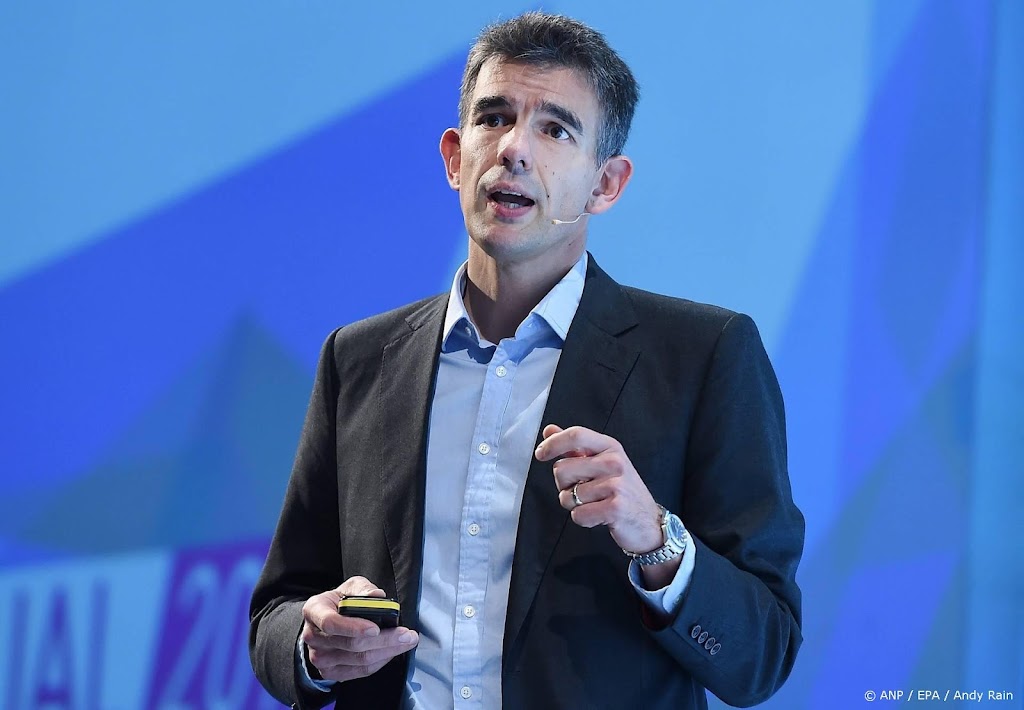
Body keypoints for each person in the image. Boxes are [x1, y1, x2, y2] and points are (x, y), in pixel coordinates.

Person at [249, 11, 804, 710]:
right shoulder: (358, 360)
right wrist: (312, 647)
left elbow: (764, 654)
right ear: (455, 157)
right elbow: (276, 612)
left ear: (606, 184)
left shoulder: (705, 356)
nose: (513, 149)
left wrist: (656, 541)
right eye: (494, 118)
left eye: (556, 130)